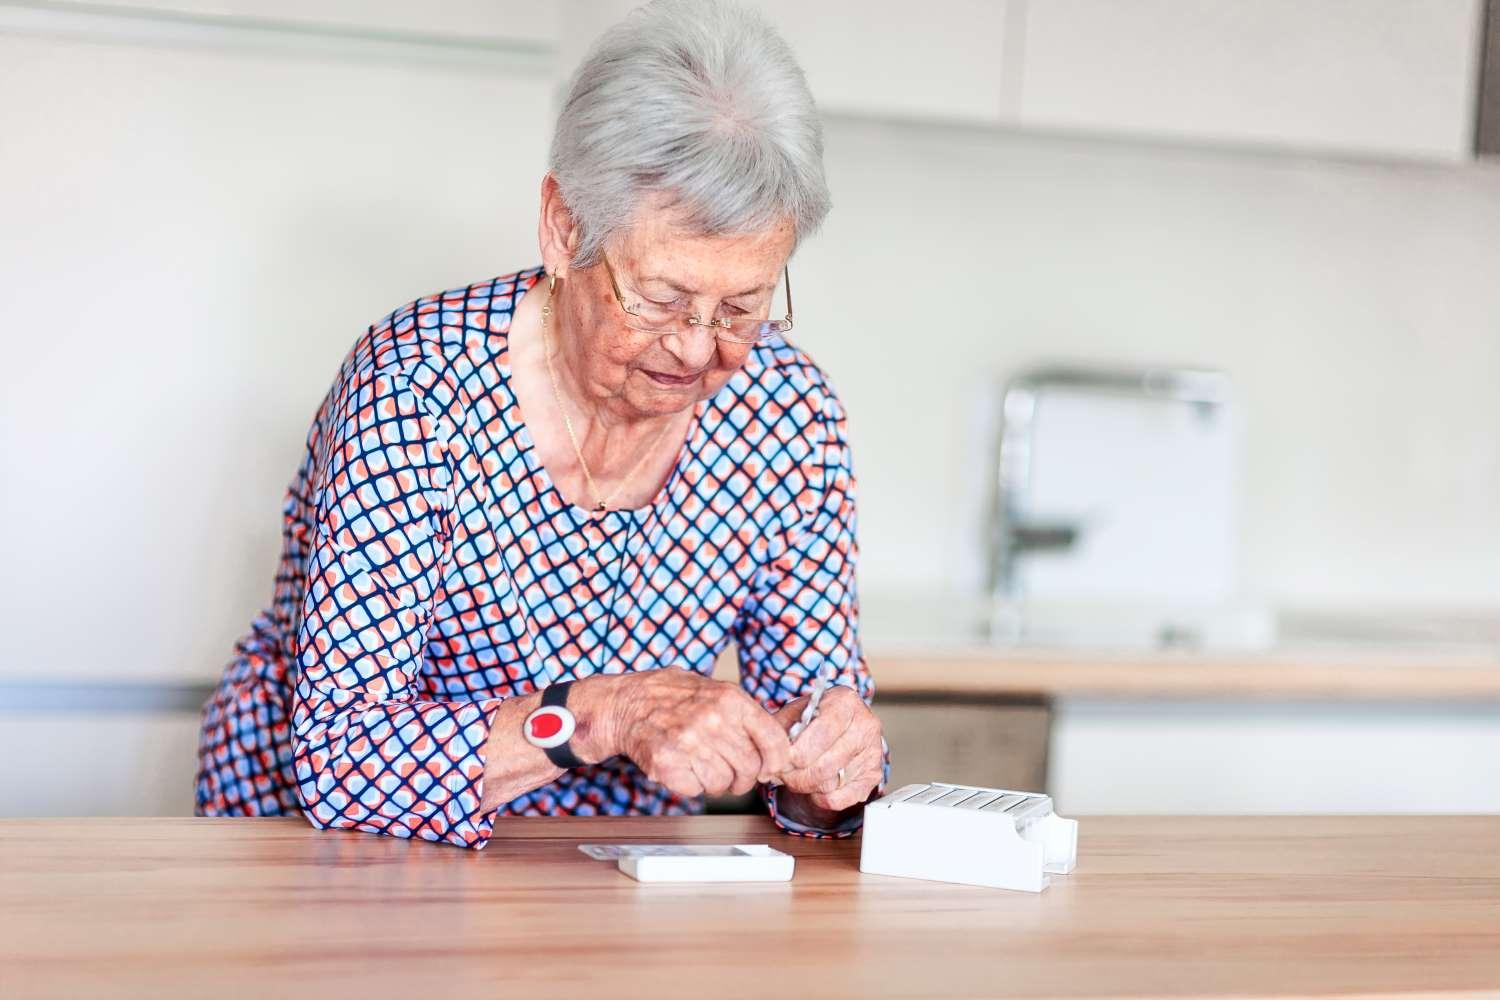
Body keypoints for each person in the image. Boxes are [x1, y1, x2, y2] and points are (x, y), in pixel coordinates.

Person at [195, 0, 887, 848]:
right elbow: (342, 757)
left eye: (742, 306)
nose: (699, 348)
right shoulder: (417, 387)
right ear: (564, 229)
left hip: (605, 876)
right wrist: (606, 714)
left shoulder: (787, 415)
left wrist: (832, 769)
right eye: (661, 298)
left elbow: (812, 761)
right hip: (320, 854)